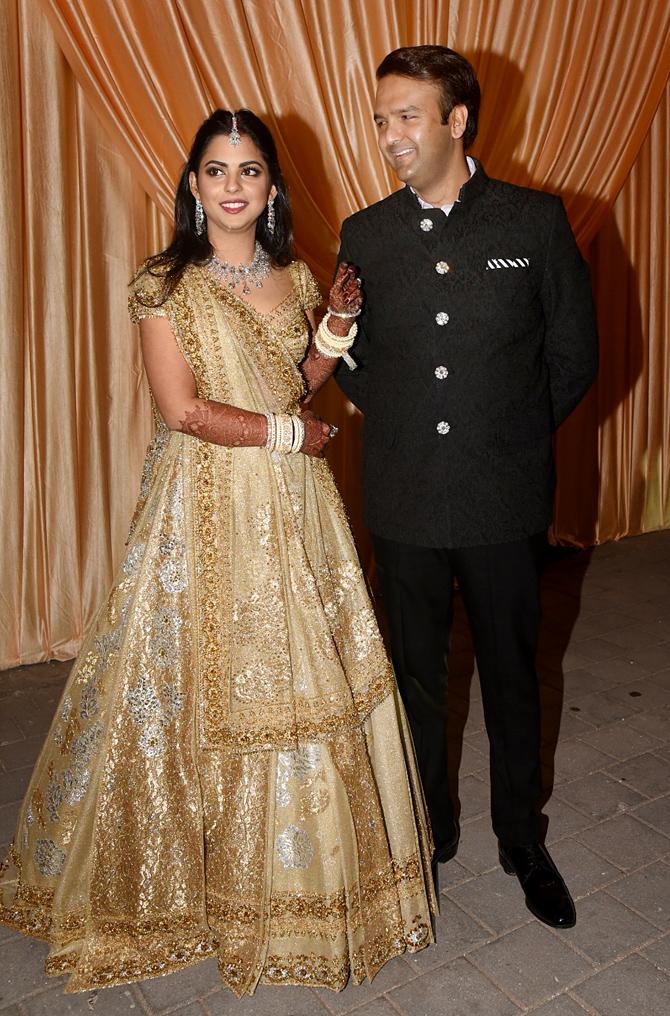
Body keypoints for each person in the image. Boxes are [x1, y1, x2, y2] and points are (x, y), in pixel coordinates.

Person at [0, 109, 436, 995]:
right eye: (216, 170)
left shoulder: (294, 275)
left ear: (270, 189)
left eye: (249, 172)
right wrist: (292, 435)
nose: (233, 186)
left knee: (307, 678)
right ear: (193, 185)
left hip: (293, 503)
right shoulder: (167, 285)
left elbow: (297, 379)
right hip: (207, 505)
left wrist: (337, 327)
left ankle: (290, 885)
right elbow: (183, 411)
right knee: (186, 684)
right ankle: (187, 887)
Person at [335, 46, 598, 930]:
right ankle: (430, 831)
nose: (390, 135)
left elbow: (573, 357)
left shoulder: (532, 222)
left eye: (408, 115)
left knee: (514, 674)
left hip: (503, 494)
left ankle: (522, 837)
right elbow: (358, 363)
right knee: (415, 674)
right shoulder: (364, 235)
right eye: (380, 118)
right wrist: (417, 427)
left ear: (457, 121)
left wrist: (506, 437)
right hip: (404, 494)